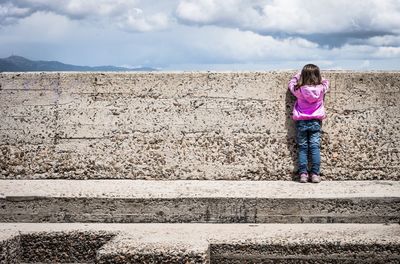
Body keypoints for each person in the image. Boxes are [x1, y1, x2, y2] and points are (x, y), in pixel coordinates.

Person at [288, 64, 329, 183]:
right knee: (315, 147)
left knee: (303, 148)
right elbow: (326, 83)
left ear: (303, 76)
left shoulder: (299, 90)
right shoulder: (321, 89)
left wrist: (297, 76)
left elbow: (291, 85)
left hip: (301, 122)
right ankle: (315, 174)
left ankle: (303, 175)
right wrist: (321, 79)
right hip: (315, 121)